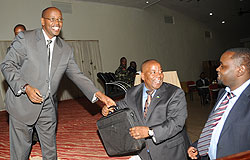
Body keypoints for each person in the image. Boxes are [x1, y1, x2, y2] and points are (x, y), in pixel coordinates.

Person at [1, 7, 115, 160]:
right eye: (52, 19)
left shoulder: (65, 49)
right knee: (21, 153)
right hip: (22, 103)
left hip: (47, 105)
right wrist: (25, 87)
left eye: (60, 19)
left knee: (50, 151)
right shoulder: (25, 38)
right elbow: (7, 65)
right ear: (43, 21)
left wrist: (101, 96)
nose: (57, 23)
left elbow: (77, 76)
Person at [103, 59, 190, 160]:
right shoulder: (133, 92)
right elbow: (122, 105)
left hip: (169, 151)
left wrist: (150, 132)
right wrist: (110, 109)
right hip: (144, 151)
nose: (159, 75)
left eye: (160, 71)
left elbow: (176, 122)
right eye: (153, 72)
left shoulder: (174, 93)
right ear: (143, 76)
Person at [187, 48, 250, 159]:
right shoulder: (223, 93)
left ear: (241, 70)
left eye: (222, 66)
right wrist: (199, 145)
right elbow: (216, 127)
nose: (217, 69)